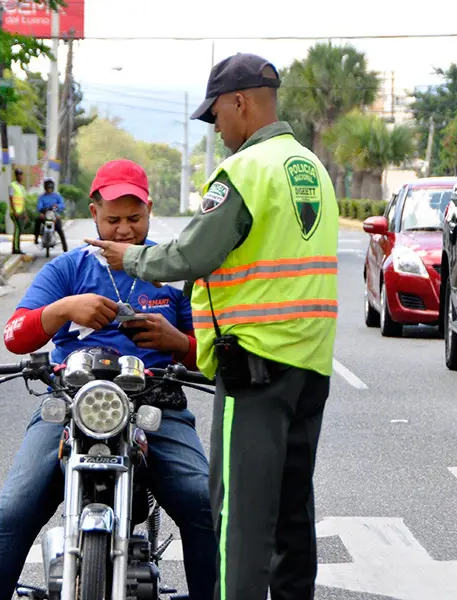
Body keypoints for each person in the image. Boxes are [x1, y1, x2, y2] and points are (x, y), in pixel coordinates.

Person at [85, 54, 339, 600]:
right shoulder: (311, 168)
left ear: (239, 102)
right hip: (311, 365)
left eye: (217, 115)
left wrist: (130, 258)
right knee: (292, 511)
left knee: (240, 519)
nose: (217, 129)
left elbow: (192, 255)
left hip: (254, 368)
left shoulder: (245, 171)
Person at [0, 158, 217, 600]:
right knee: (11, 512)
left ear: (149, 211)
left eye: (134, 219)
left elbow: (211, 357)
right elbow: (14, 336)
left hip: (157, 407)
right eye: (113, 219)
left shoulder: (174, 272)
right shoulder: (67, 269)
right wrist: (63, 309)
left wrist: (177, 341)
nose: (124, 230)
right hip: (72, 405)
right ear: (94, 213)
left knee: (205, 504)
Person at [33, 177, 68, 251]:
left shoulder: (57, 196)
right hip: (45, 214)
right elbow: (39, 206)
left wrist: (57, 206)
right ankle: (36, 238)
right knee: (37, 221)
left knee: (59, 229)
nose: (49, 189)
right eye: (48, 188)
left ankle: (65, 247)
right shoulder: (41, 197)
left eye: (50, 188)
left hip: (54, 215)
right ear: (45, 187)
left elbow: (62, 205)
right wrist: (41, 212)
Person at [9, 168, 27, 254]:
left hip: (21, 212)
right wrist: (14, 210)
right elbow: (11, 198)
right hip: (15, 212)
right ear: (16, 176)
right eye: (18, 175)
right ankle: (15, 249)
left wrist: (25, 213)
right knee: (17, 229)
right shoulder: (12, 185)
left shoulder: (22, 188)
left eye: (21, 175)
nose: (20, 176)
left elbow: (23, 201)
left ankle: (17, 247)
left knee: (19, 230)